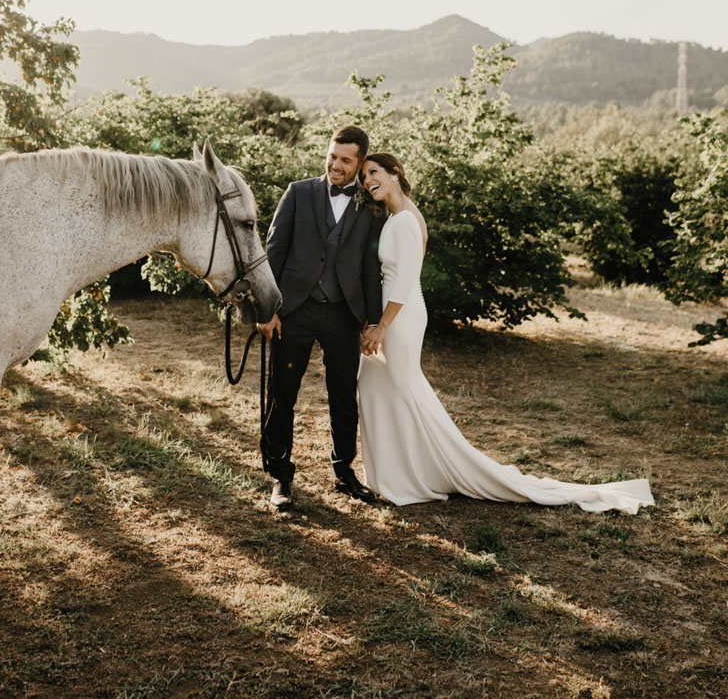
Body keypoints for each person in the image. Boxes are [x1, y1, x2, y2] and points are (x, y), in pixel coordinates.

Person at [357, 152, 654, 512]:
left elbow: (404, 281)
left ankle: (434, 472)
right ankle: (406, 471)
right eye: (363, 175)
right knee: (383, 385)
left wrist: (382, 326)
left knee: (403, 390)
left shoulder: (405, 219)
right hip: (395, 313)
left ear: (394, 174)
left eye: (373, 172)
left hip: (400, 316)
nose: (366, 180)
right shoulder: (397, 216)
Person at [256, 125, 385, 511]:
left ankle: (344, 471)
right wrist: (267, 310)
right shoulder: (299, 192)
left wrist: (372, 320)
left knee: (344, 396)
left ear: (361, 163)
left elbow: (370, 268)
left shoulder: (370, 206)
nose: (336, 165)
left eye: (346, 160)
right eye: (332, 156)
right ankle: (280, 475)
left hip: (344, 314)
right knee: (282, 393)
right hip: (294, 311)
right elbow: (273, 253)